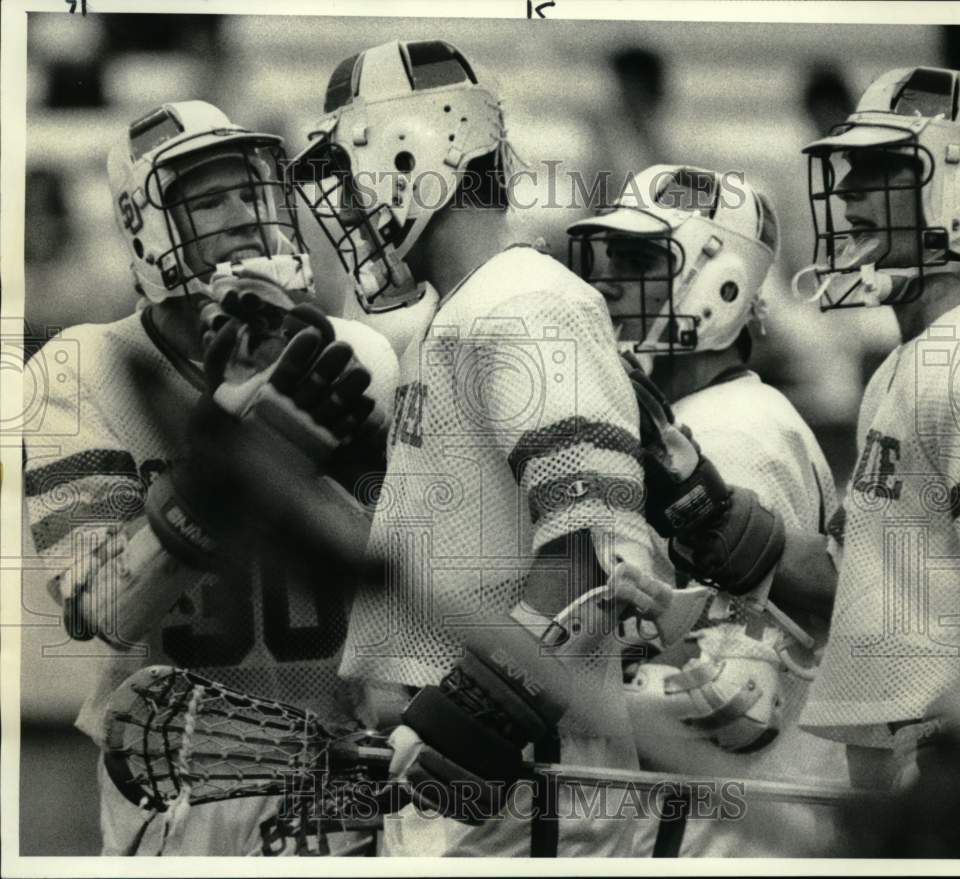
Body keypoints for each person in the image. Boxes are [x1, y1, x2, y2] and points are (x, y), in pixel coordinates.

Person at [287, 39, 669, 857]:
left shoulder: (526, 304)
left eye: (349, 173)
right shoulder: (456, 313)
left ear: (413, 155)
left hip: (519, 794)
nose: (344, 209)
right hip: (467, 789)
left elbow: (596, 556)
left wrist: (470, 717)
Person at [23, 100, 399, 856]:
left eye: (251, 190)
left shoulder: (363, 358)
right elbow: (104, 603)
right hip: (182, 785)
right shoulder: (84, 368)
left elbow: (401, 587)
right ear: (144, 227)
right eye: (207, 198)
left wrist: (341, 467)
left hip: (343, 772)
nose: (240, 214)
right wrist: (215, 475)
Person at [566, 164, 850, 856]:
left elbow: (739, 691)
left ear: (719, 284)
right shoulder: (715, 414)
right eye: (610, 258)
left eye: (637, 260)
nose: (606, 281)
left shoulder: (729, 432)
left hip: (733, 828)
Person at [789, 68, 960, 843]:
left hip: (946, 778)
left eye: (884, 172)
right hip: (901, 772)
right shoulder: (908, 361)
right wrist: (705, 506)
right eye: (851, 172)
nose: (850, 195)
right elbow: (853, 576)